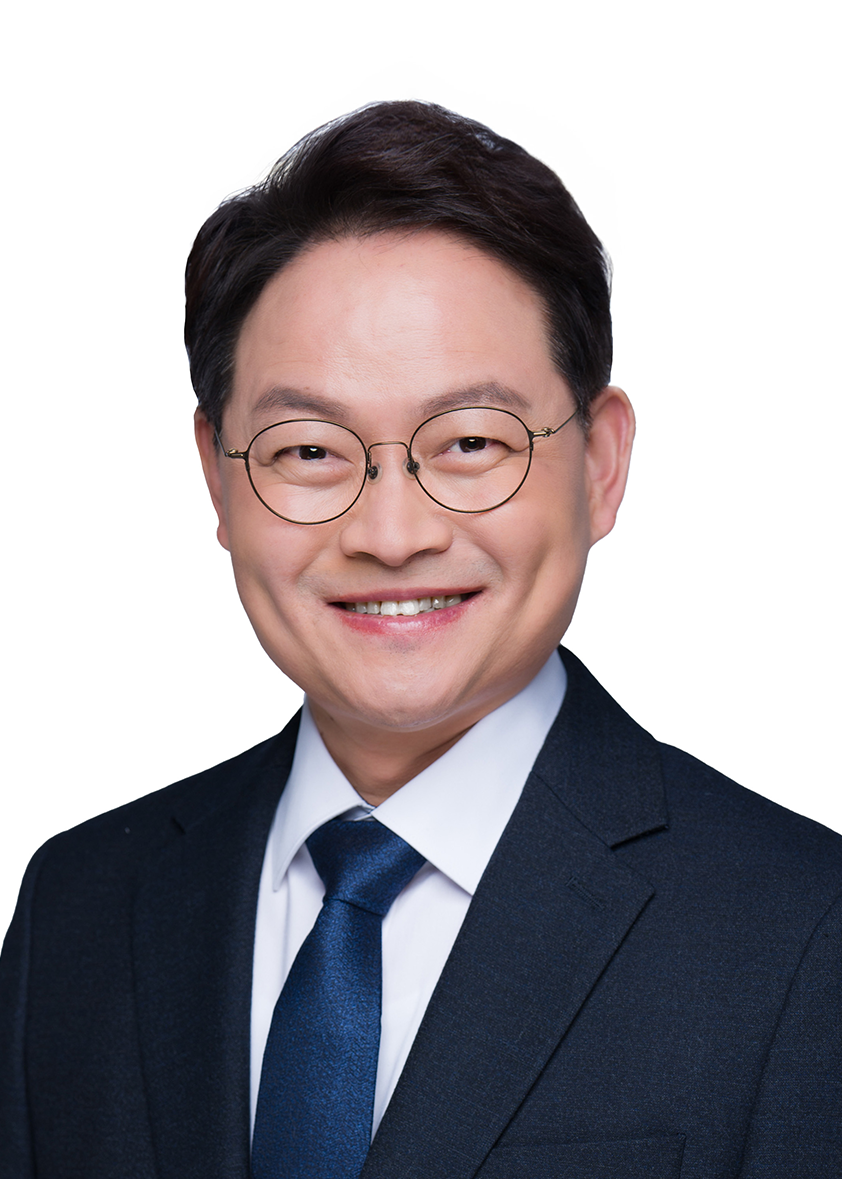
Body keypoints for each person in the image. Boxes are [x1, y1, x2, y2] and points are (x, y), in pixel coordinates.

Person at [1, 101, 840, 1179]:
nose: (392, 535)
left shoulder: (803, 932)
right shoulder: (79, 908)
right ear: (217, 476)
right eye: (309, 450)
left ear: (599, 464)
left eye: (471, 442)